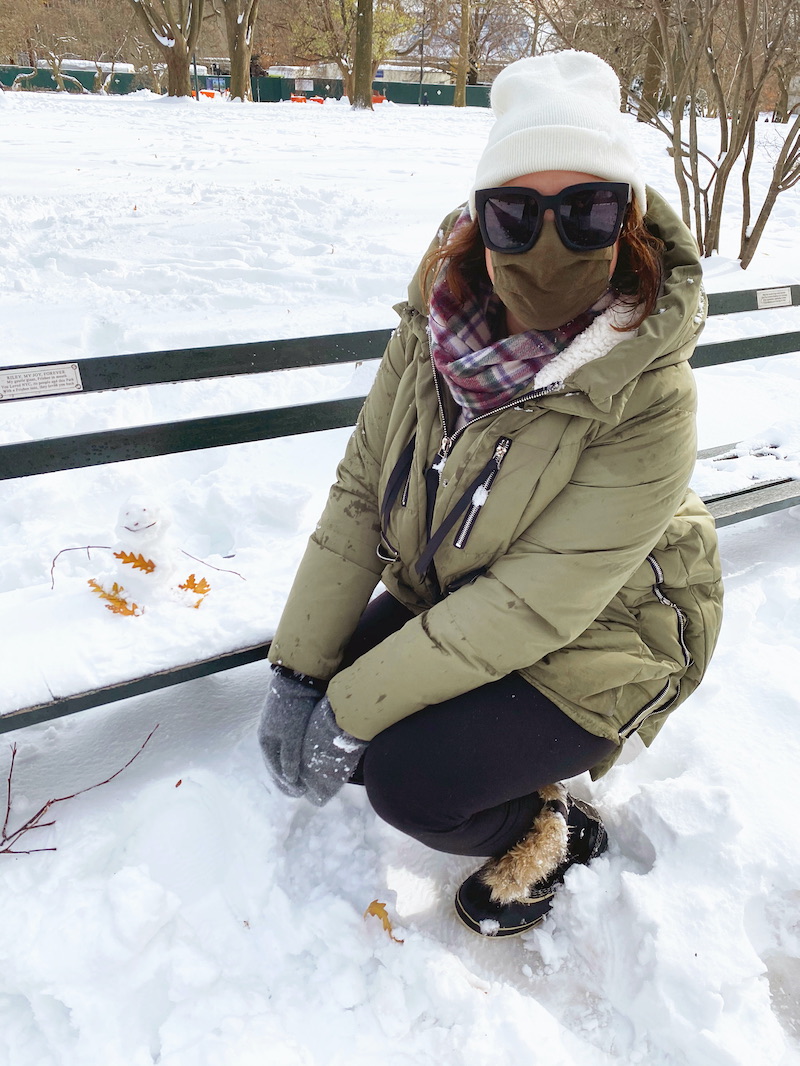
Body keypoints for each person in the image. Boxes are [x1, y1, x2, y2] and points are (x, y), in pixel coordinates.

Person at [258, 50, 724, 937]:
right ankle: (498, 758)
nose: (548, 245)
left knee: (407, 782)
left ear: (624, 220)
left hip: (616, 631)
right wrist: (298, 672)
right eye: (516, 212)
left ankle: (548, 826)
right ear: (481, 221)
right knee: (344, 706)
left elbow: (529, 609)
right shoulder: (433, 330)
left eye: (585, 211)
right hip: (472, 586)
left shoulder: (651, 392)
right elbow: (363, 489)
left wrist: (352, 711)